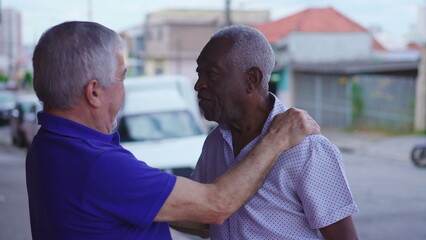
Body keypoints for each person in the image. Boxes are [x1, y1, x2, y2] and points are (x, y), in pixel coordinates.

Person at [26, 21, 320, 240]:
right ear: (94, 92)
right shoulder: (96, 164)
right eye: (122, 78)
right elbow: (217, 206)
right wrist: (277, 139)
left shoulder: (47, 146)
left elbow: (190, 218)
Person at [182, 25, 359, 239]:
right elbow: (204, 216)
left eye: (211, 74)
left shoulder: (307, 148)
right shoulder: (215, 142)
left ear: (252, 79)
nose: (199, 85)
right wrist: (144, 205)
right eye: (199, 74)